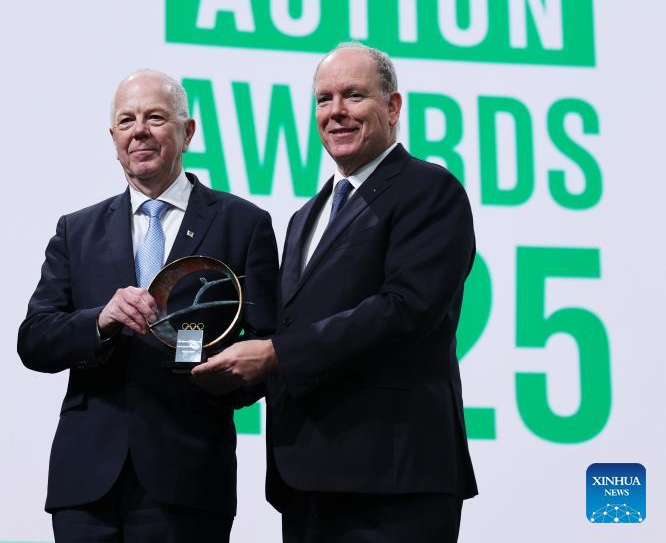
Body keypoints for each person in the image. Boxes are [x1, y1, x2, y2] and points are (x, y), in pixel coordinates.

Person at [192, 43, 478, 543]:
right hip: (309, 479)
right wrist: (222, 373)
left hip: (393, 480)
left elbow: (405, 310)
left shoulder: (429, 190)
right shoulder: (306, 216)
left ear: (393, 107)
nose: (336, 111)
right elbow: (290, 327)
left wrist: (276, 354)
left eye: (353, 96)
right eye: (324, 99)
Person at [18, 68, 278, 543]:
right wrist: (101, 321)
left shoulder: (243, 224)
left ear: (187, 132)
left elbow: (266, 347)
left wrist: (211, 374)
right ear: (113, 138)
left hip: (189, 476)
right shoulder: (77, 230)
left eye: (155, 117)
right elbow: (34, 339)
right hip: (87, 485)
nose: (139, 131)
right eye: (126, 120)